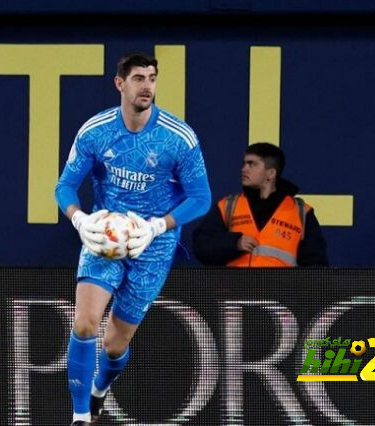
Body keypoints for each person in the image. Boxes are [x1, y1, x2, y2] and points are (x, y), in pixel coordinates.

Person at [54, 53, 211, 425]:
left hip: (152, 245)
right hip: (104, 236)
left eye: (153, 78)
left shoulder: (179, 138)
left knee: (114, 344)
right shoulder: (95, 131)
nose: (147, 86)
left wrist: (158, 226)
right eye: (139, 78)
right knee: (85, 324)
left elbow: (201, 197)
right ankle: (79, 417)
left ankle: (100, 389)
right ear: (119, 83)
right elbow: (65, 186)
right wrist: (79, 220)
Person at [193, 142, 328, 267]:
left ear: (271, 173)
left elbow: (316, 267)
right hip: (234, 292)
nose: (244, 169)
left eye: (252, 164)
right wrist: (234, 243)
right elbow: (201, 245)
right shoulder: (228, 205)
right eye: (244, 163)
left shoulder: (301, 212)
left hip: (279, 292)